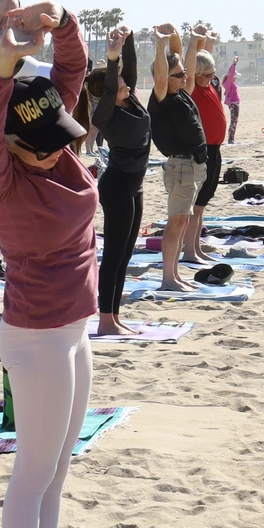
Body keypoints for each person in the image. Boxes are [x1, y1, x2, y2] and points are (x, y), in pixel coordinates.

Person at [0, 0, 96, 528]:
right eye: (41, 149)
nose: (56, 154)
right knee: (33, 470)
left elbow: (73, 68)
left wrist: (59, 22)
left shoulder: (54, 136)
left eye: (60, 138)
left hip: (73, 334)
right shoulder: (0, 180)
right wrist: (0, 65)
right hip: (37, 337)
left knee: (57, 468)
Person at [87, 26, 150, 337]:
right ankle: (105, 319)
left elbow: (131, 70)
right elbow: (113, 85)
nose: (125, 81)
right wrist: (112, 61)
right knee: (113, 254)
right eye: (119, 80)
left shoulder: (131, 101)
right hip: (117, 187)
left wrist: (128, 41)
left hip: (133, 186)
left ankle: (115, 316)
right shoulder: (106, 112)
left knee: (125, 254)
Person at [148, 23, 207, 292]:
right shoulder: (162, 98)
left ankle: (175, 274)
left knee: (183, 221)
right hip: (180, 166)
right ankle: (168, 279)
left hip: (192, 165)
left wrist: (190, 42)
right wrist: (159, 45)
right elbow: (161, 77)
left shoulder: (181, 93)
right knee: (177, 221)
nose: (185, 77)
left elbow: (187, 69)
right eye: (179, 75)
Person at [186, 40, 227, 264]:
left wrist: (206, 40)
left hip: (215, 148)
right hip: (203, 150)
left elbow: (204, 57)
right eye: (209, 74)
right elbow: (192, 64)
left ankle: (196, 247)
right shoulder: (192, 87)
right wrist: (193, 42)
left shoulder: (208, 84)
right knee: (197, 204)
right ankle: (190, 251)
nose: (213, 77)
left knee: (203, 203)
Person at [222, 57, 241, 144]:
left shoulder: (232, 83)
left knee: (235, 121)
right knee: (233, 121)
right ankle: (231, 139)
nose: (236, 78)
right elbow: (231, 73)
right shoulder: (228, 83)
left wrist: (233, 65)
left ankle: (231, 139)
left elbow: (230, 72)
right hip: (233, 104)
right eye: (235, 77)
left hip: (235, 104)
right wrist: (234, 64)